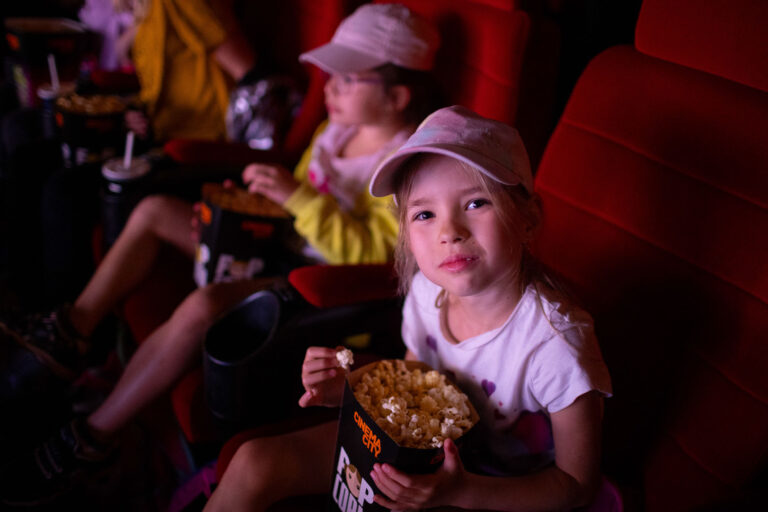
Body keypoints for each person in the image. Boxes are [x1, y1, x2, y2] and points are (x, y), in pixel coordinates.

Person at [0, 3, 441, 506]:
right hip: (276, 245)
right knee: (153, 211)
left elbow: (379, 256)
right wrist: (244, 210)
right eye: (332, 76)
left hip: (318, 282)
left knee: (203, 305)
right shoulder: (335, 129)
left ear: (397, 96)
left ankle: (92, 438)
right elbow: (293, 196)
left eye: (348, 80)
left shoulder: (403, 164)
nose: (330, 88)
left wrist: (297, 199)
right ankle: (70, 332)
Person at [204, 106, 613, 511]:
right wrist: (351, 384)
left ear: (528, 218)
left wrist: (460, 493)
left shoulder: (556, 344)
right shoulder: (425, 292)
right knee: (255, 462)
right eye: (424, 214)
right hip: (423, 457)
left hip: (498, 490)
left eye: (476, 203)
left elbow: (577, 486)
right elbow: (417, 385)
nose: (449, 232)